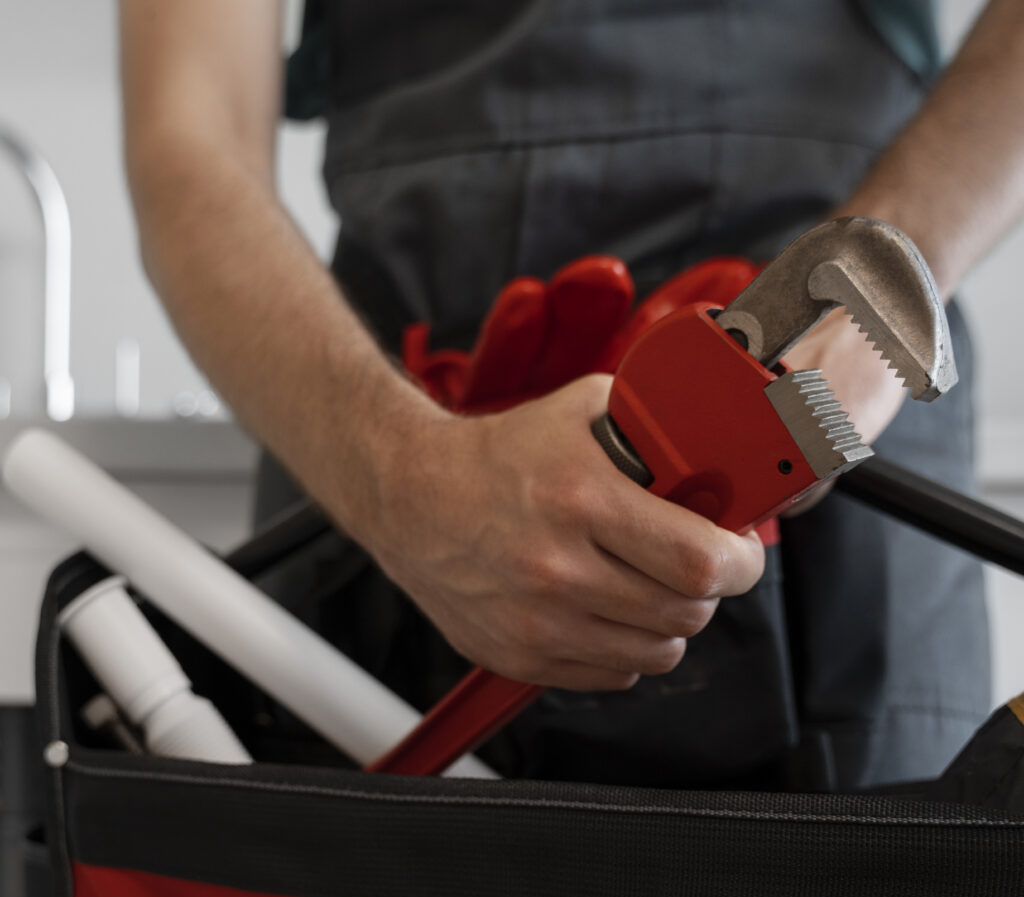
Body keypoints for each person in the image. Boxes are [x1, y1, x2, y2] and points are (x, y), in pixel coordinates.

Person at [118, 0, 1024, 790]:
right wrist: (400, 481)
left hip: (846, 412)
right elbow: (187, 138)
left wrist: (880, 297)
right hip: (382, 416)